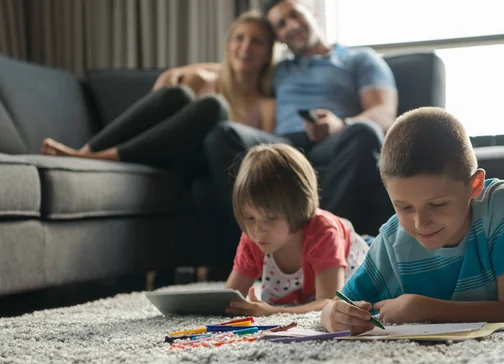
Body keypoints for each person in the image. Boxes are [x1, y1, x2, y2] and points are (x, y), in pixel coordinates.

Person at [321, 107, 504, 334]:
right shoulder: (392, 239)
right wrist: (333, 315)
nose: (420, 223)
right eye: (404, 206)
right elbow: (339, 303)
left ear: (474, 185)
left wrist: (423, 309)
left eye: (438, 204)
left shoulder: (502, 203)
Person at [204, 0, 398, 276]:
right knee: (223, 134)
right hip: (283, 145)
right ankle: (251, 256)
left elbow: (384, 113)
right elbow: (235, 65)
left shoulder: (359, 59)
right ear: (278, 38)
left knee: (365, 132)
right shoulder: (279, 70)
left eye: (295, 15)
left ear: (312, 13)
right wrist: (182, 71)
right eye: (280, 25)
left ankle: (327, 249)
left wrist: (339, 124)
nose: (291, 26)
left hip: (338, 140)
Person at [40, 11, 276, 179]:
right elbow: (160, 104)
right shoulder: (204, 79)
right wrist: (181, 72)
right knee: (177, 95)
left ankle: (101, 159)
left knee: (214, 107)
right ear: (228, 45)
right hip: (162, 152)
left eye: (256, 41)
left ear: (268, 53)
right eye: (239, 38)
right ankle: (85, 153)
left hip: (200, 165)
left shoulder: (266, 104)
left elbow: (264, 160)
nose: (245, 47)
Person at [224, 143, 369, 316]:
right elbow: (228, 298)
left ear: (298, 208)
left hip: (362, 250)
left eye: (271, 218)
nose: (258, 230)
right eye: (250, 218)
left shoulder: (324, 233)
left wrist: (272, 312)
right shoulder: (252, 239)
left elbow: (329, 303)